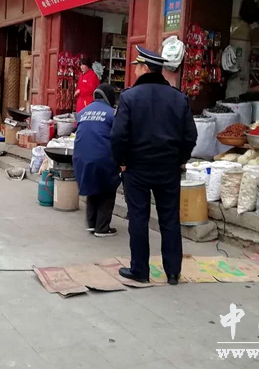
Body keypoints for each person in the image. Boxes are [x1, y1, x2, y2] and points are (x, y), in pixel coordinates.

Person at [111, 46, 197, 286]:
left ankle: (140, 270)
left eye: (137, 67)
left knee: (138, 218)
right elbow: (190, 136)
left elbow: (118, 136)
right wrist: (180, 159)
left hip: (136, 168)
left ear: (145, 68)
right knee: (170, 219)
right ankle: (173, 272)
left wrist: (122, 162)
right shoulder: (178, 98)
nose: (134, 71)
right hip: (168, 168)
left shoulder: (129, 97)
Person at [73, 83, 120, 237]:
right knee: (107, 189)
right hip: (103, 157)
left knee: (92, 186)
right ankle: (102, 227)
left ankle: (92, 223)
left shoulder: (83, 112)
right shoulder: (112, 114)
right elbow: (118, 137)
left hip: (81, 158)